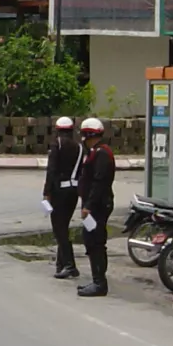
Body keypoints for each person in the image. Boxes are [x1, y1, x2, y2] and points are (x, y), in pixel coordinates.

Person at [76, 118, 116, 298]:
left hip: (98, 205)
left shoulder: (102, 154)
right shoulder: (95, 152)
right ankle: (96, 279)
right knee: (90, 240)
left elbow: (99, 183)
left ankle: (100, 283)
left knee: (96, 241)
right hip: (94, 204)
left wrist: (89, 206)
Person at [42, 116, 83, 280]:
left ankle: (70, 265)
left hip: (59, 191)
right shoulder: (79, 147)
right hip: (73, 191)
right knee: (63, 226)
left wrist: (46, 192)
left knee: (59, 229)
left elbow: (51, 170)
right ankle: (61, 264)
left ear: (57, 130)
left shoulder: (57, 145)